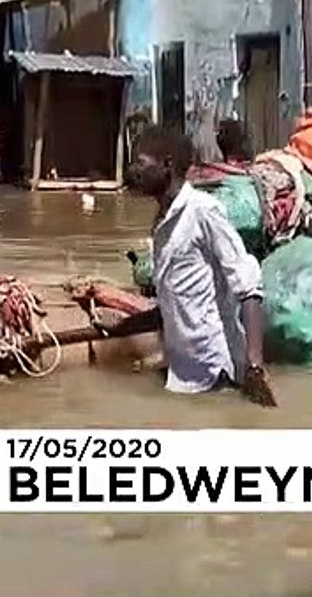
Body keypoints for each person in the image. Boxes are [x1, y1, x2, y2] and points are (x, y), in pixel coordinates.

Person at [118, 123, 276, 406]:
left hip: (217, 374)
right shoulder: (162, 223)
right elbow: (174, 304)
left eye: (140, 163)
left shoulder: (203, 211)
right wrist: (123, 327)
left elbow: (248, 287)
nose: (134, 171)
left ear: (167, 165)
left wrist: (254, 368)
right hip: (183, 376)